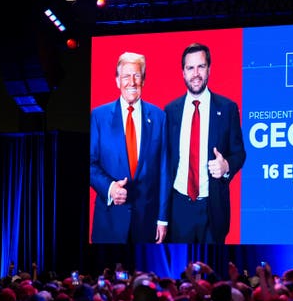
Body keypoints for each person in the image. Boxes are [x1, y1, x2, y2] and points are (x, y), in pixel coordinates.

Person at [165, 42, 246, 243]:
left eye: (201, 66)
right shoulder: (170, 111)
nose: (196, 73)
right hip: (178, 209)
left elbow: (239, 153)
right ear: (183, 72)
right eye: (190, 68)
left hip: (213, 208)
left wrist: (226, 165)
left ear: (209, 69)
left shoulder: (227, 109)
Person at [90, 51, 170, 244]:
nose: (132, 82)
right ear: (117, 80)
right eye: (126, 76)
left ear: (144, 79)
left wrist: (162, 219)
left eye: (137, 76)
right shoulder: (98, 116)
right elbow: (90, 163)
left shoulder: (159, 117)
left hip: (147, 222)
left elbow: (164, 171)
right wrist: (110, 188)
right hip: (109, 221)